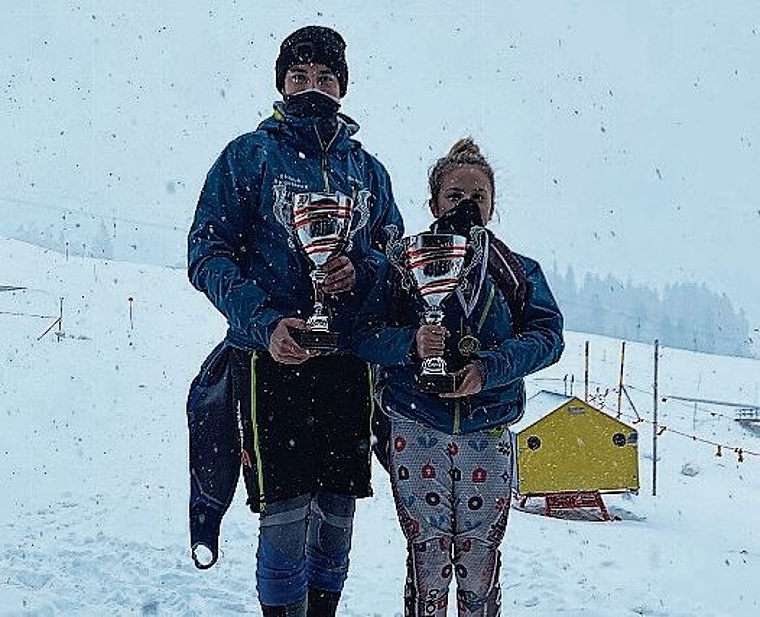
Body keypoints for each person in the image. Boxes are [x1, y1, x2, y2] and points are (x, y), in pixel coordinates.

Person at [186, 25, 403, 616]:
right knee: (283, 509)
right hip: (271, 363)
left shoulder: (369, 172)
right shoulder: (250, 155)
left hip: (349, 367)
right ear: (281, 82)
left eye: (327, 78)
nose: (314, 87)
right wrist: (266, 323)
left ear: (343, 87)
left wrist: (360, 270)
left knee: (338, 507)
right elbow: (206, 251)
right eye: (301, 76)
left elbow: (397, 256)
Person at [352, 138, 564, 616]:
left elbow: (549, 336)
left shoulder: (517, 271)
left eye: (477, 197)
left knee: (480, 562)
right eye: (455, 196)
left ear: (492, 206)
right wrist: (410, 344)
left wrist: (490, 368)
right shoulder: (403, 264)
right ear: (433, 203)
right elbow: (363, 334)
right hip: (415, 425)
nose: (466, 205)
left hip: (487, 430)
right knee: (425, 559)